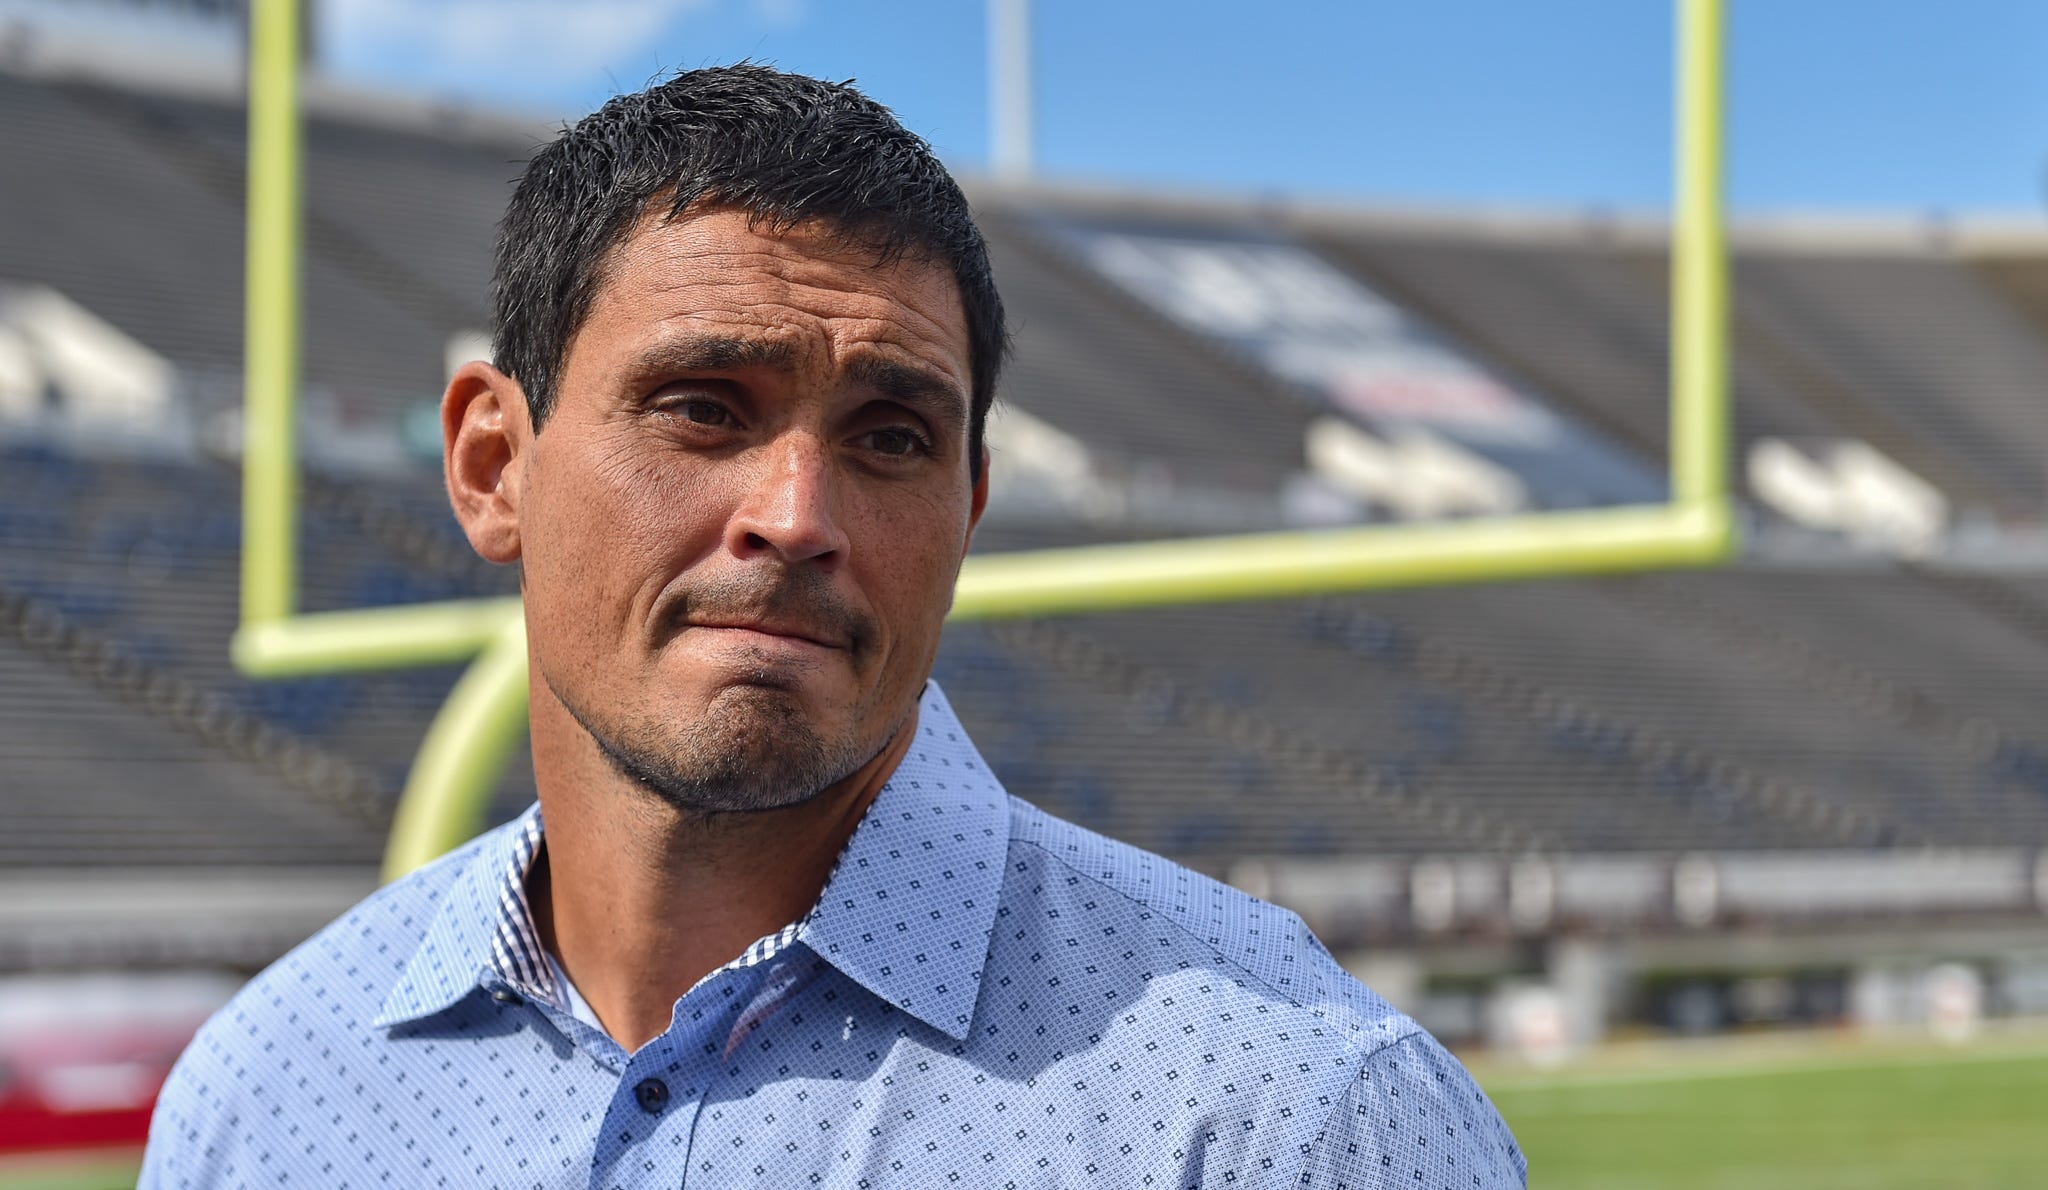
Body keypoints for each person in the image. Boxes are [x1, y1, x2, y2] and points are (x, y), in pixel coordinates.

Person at [142, 64, 1525, 1188]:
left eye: (890, 435)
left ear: (967, 508)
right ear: (495, 466)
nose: (797, 512)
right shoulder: (268, 1096)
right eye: (703, 406)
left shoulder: (1292, 1112)